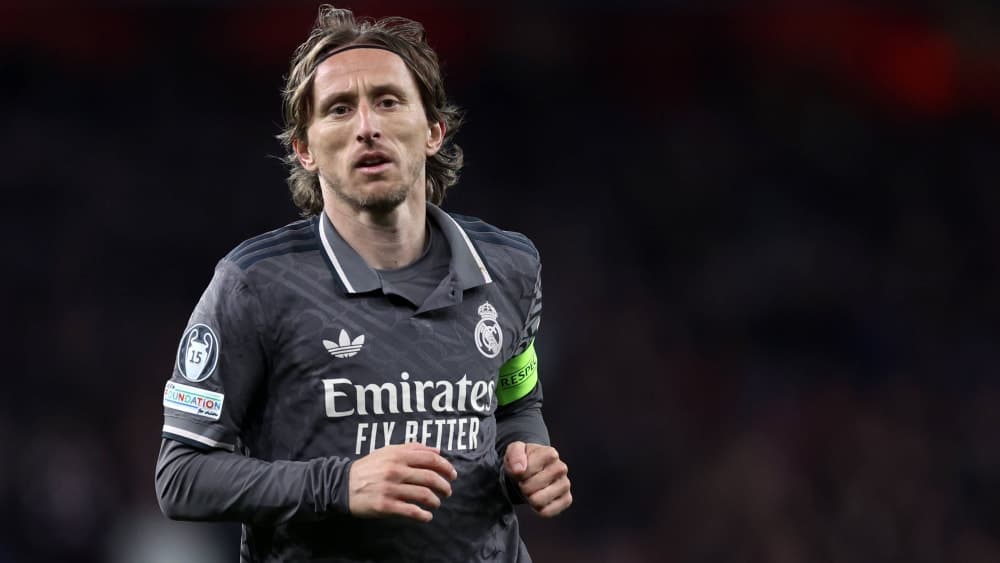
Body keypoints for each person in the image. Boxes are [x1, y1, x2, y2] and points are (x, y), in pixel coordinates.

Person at [154, 5, 572, 562]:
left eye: (388, 101)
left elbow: (517, 404)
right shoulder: (254, 285)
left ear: (434, 131)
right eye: (339, 109)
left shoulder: (510, 266)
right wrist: (339, 485)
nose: (367, 126)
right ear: (305, 149)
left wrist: (528, 456)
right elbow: (181, 476)